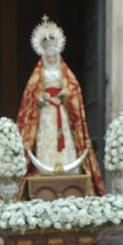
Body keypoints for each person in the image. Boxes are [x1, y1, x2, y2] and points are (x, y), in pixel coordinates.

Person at [16, 15, 106, 195]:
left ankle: (68, 168)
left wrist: (65, 95)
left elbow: (74, 90)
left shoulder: (65, 73)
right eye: (47, 55)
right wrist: (40, 99)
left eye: (53, 55)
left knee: (64, 138)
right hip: (46, 114)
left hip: (61, 111)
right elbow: (30, 96)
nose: (50, 58)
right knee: (46, 138)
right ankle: (45, 169)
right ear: (43, 55)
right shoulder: (37, 75)